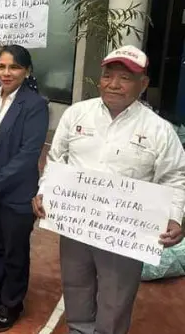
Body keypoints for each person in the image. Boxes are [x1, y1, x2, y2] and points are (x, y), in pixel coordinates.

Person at [32, 45, 185, 334]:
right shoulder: (77, 114)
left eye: (125, 78)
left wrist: (175, 216)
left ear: (143, 84)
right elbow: (56, 159)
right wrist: (45, 192)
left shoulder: (159, 130)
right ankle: (79, 329)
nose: (113, 84)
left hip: (125, 231)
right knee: (76, 284)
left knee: (116, 297)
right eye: (107, 76)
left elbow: (175, 177)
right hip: (77, 222)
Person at [0, 45, 49, 331]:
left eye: (13, 67)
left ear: (26, 71)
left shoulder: (35, 104)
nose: (6, 72)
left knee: (15, 251)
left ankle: (12, 303)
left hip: (15, 191)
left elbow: (28, 155)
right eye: (1, 67)